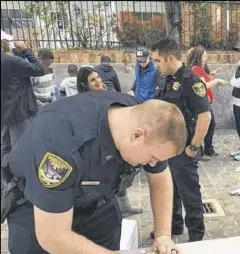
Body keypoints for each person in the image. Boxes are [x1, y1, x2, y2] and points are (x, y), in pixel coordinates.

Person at [2, 91, 187, 254]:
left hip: (99, 208)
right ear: (137, 136)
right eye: (152, 158)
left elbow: (161, 178)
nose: (152, 163)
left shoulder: (143, 118)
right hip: (39, 214)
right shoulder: (59, 142)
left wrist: (163, 235)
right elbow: (52, 235)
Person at [152, 38, 211, 242]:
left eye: (158, 60)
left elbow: (205, 116)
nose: (155, 65)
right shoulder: (164, 79)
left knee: (189, 194)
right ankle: (174, 226)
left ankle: (196, 235)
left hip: (185, 149)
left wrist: (193, 147)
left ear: (170, 58)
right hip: (166, 148)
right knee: (170, 189)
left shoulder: (191, 81)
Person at [76, 66, 142, 217]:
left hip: (115, 141)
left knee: (121, 177)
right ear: (85, 84)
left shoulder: (108, 94)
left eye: (98, 77)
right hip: (98, 146)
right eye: (93, 80)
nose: (98, 81)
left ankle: (124, 207)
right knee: (105, 180)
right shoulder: (85, 101)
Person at [1, 31, 45, 165]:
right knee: (20, 148)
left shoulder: (11, 60)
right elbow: (39, 69)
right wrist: (26, 50)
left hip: (4, 112)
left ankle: (5, 179)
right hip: (16, 111)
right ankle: (17, 181)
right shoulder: (11, 61)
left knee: (5, 147)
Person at [187, 45, 227, 161]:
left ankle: (208, 149)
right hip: (201, 103)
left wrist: (211, 76)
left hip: (205, 102)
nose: (206, 58)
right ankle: (201, 151)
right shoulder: (196, 69)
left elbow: (205, 80)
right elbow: (203, 86)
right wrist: (216, 81)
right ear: (199, 56)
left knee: (210, 125)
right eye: (205, 56)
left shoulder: (200, 69)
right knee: (203, 126)